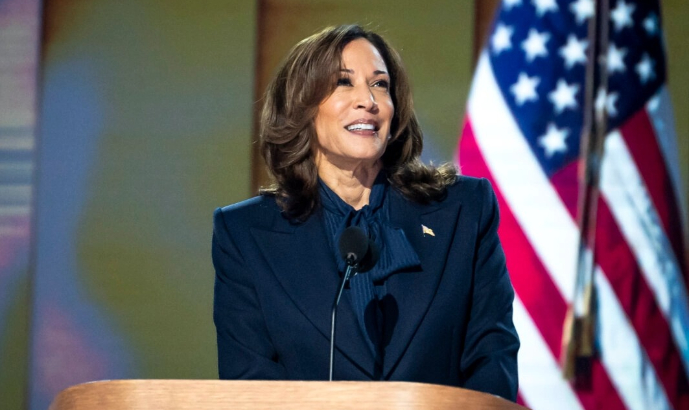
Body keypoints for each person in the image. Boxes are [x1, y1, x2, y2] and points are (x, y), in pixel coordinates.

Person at [212, 24, 519, 401]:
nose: (368, 101)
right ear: (302, 107)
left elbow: (492, 357)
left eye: (380, 84)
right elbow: (250, 386)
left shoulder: (463, 211)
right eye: (344, 82)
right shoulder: (245, 233)